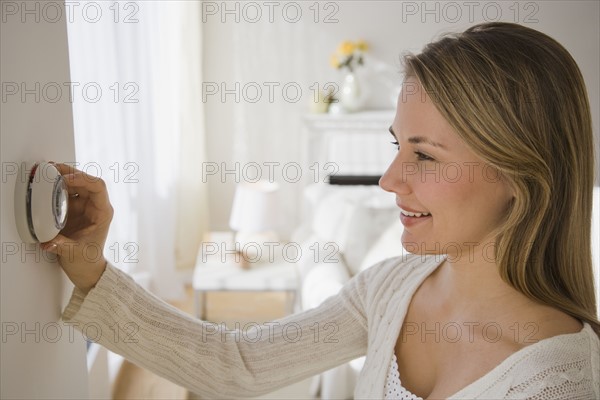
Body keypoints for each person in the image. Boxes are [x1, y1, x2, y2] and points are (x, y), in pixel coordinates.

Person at [44, 22, 599, 399]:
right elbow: (237, 361)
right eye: (396, 146)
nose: (389, 180)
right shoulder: (391, 288)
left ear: (519, 173)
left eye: (424, 155)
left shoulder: (560, 382)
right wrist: (93, 268)